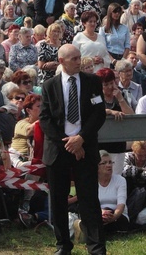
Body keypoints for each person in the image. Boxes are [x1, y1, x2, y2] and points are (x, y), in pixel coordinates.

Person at [39, 44, 106, 255]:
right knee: (58, 200)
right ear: (61, 61)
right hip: (59, 150)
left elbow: (99, 113)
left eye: (79, 57)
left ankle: (96, 247)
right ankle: (63, 245)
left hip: (85, 148)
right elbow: (45, 119)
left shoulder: (93, 82)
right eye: (74, 59)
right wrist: (69, 143)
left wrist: (81, 139)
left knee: (89, 199)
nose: (79, 61)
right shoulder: (49, 85)